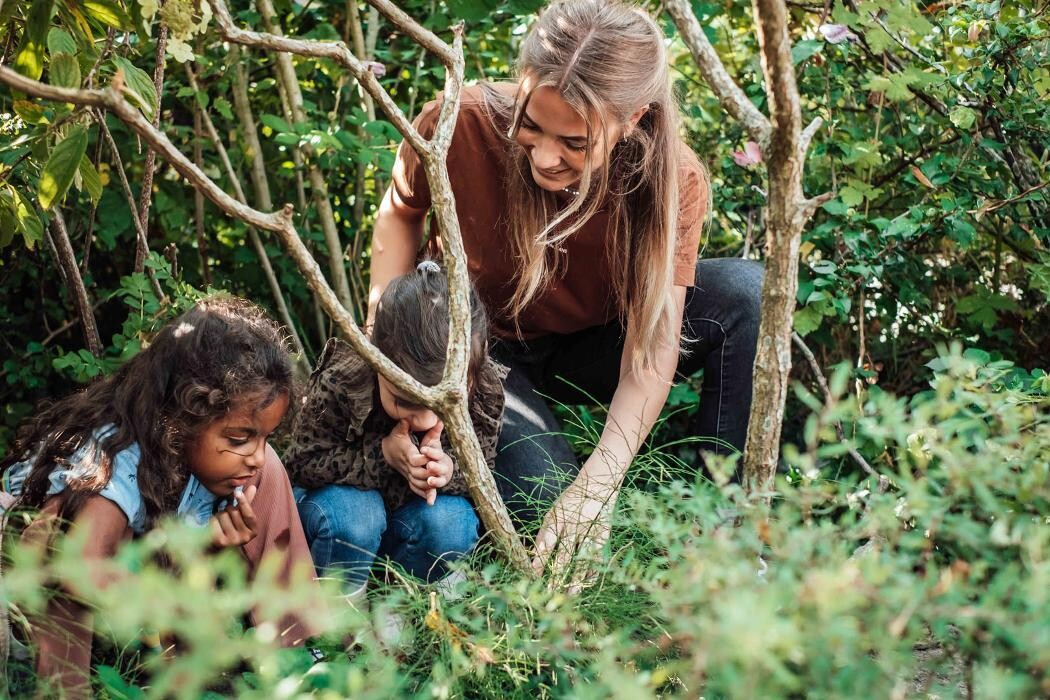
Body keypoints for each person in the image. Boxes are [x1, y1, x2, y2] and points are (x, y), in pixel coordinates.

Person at [368, 0, 763, 573]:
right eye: (531, 126)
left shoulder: (672, 178)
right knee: (549, 513)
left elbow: (652, 348)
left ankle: (720, 537)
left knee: (746, 292)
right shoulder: (463, 121)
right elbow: (401, 212)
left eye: (576, 143)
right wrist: (393, 347)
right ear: (521, 82)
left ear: (633, 121)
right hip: (484, 352)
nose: (545, 157)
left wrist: (596, 489)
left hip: (595, 346)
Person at [0, 297, 319, 699]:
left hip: (141, 571)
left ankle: (300, 660)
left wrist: (205, 549)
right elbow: (75, 570)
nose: (253, 454)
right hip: (43, 564)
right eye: (239, 438)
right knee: (61, 550)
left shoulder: (222, 463)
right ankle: (64, 690)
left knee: (269, 468)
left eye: (264, 435)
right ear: (183, 415)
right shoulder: (113, 460)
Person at [284, 262, 505, 595]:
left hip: (406, 527)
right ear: (376, 361)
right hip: (342, 524)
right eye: (406, 402)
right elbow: (299, 465)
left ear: (471, 375)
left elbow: (484, 475)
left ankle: (401, 599)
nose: (428, 421)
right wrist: (383, 455)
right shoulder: (345, 381)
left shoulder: (484, 392)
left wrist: (448, 471)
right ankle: (339, 614)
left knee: (451, 522)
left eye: (445, 405)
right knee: (354, 516)